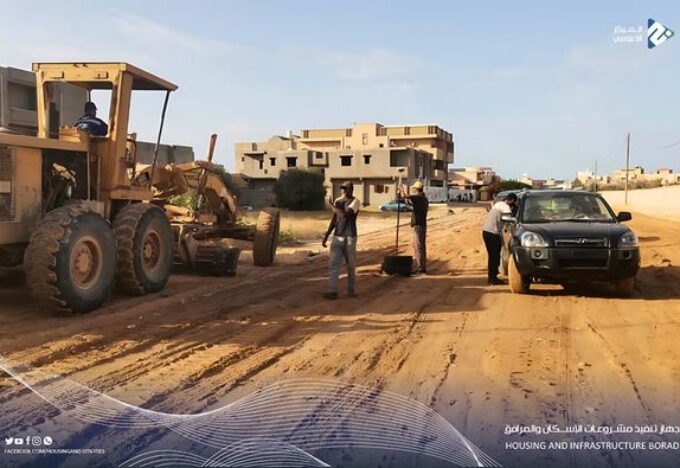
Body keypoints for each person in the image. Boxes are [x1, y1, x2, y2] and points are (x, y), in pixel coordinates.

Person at [322, 181, 361, 299]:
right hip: (337, 236)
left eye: (346, 188)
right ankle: (332, 290)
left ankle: (351, 290)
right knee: (334, 264)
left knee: (351, 265)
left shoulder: (355, 202)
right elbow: (335, 219)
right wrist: (327, 235)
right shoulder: (338, 201)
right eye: (342, 188)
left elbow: (345, 215)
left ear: (351, 190)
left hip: (350, 237)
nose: (343, 190)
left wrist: (331, 206)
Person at [482, 193, 518, 285]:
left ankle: (492, 276)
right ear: (511, 200)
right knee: (494, 256)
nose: (513, 205)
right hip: (492, 233)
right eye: (514, 203)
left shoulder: (498, 204)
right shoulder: (506, 207)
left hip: (487, 232)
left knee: (493, 256)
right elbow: (510, 219)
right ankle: (492, 278)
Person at [400, 180, 429, 275]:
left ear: (417, 189)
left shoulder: (418, 198)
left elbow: (406, 196)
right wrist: (405, 200)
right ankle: (422, 267)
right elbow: (410, 203)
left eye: (414, 189)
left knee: (419, 246)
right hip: (422, 224)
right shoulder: (424, 199)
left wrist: (401, 190)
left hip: (418, 225)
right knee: (420, 246)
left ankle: (421, 269)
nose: (414, 190)